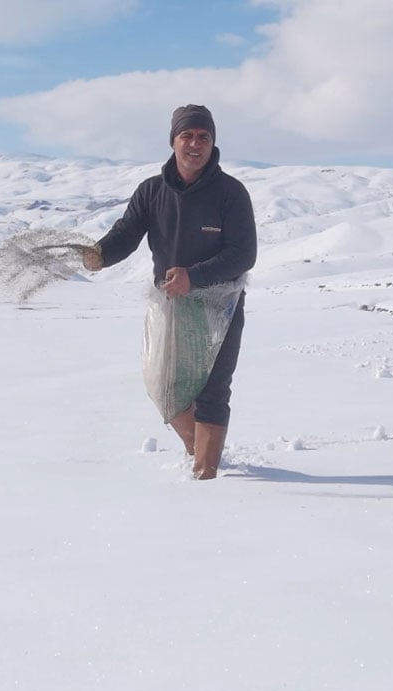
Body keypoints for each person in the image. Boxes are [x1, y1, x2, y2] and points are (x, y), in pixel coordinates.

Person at [82, 104, 257, 479]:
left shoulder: (231, 193)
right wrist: (100, 254)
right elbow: (127, 233)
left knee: (211, 390)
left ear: (212, 143)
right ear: (173, 141)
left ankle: (207, 475)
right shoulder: (152, 191)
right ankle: (198, 453)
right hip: (171, 306)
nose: (195, 144)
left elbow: (244, 255)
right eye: (187, 136)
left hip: (220, 306)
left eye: (203, 137)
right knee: (164, 386)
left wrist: (194, 277)